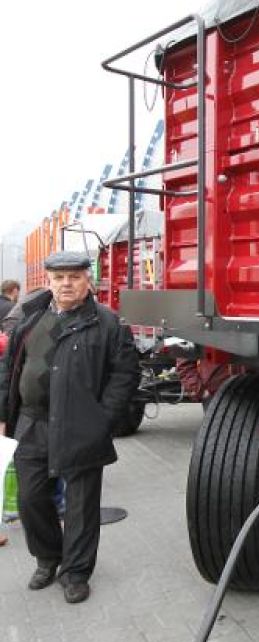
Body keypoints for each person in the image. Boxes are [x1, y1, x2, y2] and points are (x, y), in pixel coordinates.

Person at [0, 251, 139, 603]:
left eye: (74, 277)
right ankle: (48, 558)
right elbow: (9, 369)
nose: (66, 284)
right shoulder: (31, 318)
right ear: (48, 280)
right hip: (32, 422)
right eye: (59, 278)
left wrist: (102, 420)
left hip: (82, 427)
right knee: (30, 498)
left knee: (80, 505)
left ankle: (76, 572)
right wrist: (5, 415)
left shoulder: (107, 323)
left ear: (87, 280)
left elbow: (125, 376)